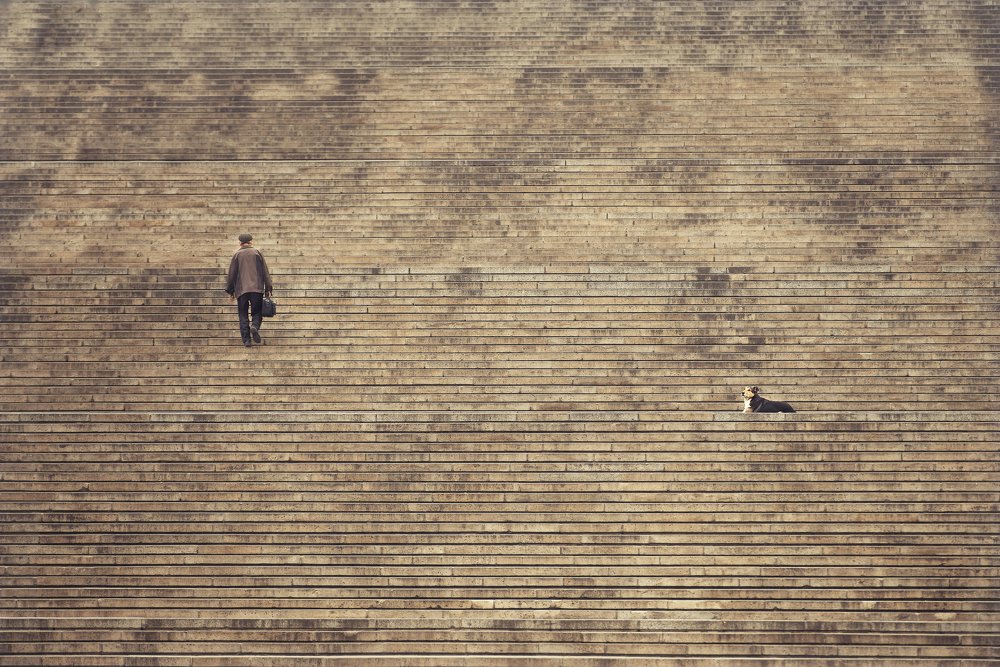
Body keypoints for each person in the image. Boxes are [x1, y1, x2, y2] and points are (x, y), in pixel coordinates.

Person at [225, 233, 273, 347]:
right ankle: (254, 326)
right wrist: (268, 288)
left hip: (241, 290)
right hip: (257, 289)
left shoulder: (237, 255)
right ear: (251, 242)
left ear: (240, 243)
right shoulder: (257, 253)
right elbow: (265, 272)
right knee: (257, 312)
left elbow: (232, 274)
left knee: (243, 314)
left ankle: (246, 340)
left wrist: (230, 290)